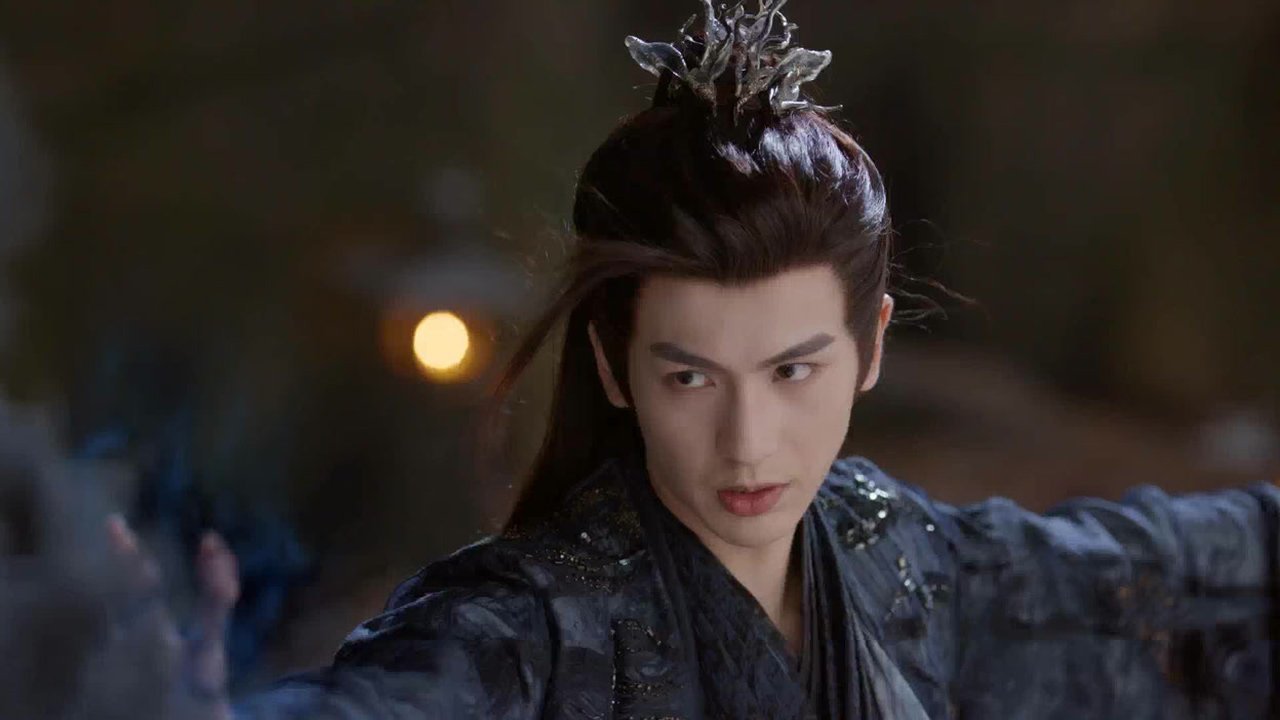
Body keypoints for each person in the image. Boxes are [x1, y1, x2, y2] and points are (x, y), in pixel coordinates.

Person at [105, 1, 1280, 717]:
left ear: (870, 347)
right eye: (688, 377)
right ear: (613, 366)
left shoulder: (896, 552)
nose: (746, 445)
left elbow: (1177, 563)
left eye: (793, 371)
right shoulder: (534, 624)